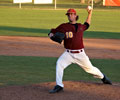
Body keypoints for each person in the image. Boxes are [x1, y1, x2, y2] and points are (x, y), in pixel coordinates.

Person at [48, 7, 112, 93]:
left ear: (75, 16)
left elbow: (87, 24)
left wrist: (90, 13)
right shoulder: (64, 26)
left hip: (80, 54)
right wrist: (51, 35)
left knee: (90, 69)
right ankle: (59, 85)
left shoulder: (80, 26)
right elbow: (52, 32)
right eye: (68, 14)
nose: (70, 16)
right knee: (59, 64)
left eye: (71, 14)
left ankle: (103, 77)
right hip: (68, 54)